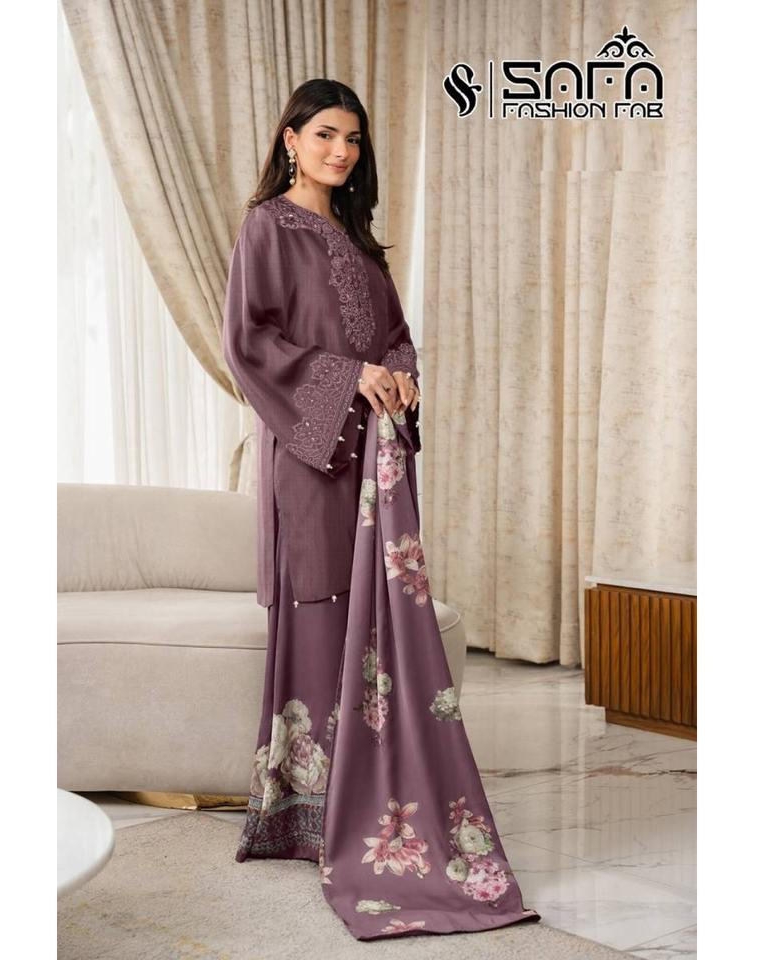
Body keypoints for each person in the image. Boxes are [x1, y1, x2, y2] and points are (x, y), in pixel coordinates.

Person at [222, 78, 539, 941]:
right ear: (290, 139)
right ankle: (315, 812)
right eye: (326, 134)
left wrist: (398, 372)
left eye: (354, 139)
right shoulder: (267, 228)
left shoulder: (359, 240)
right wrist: (347, 376)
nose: (341, 151)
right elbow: (249, 343)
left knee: (381, 623)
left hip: (373, 454)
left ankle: (381, 800)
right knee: (324, 612)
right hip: (313, 458)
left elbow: (393, 335)